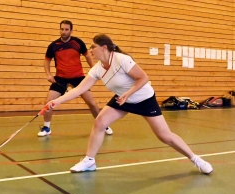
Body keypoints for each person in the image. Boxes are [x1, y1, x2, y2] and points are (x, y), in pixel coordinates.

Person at [46, 33, 213, 174]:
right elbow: (79, 89)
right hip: (122, 98)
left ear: (104, 48)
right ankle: (89, 161)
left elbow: (143, 78)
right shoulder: (97, 68)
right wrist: (56, 101)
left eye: (93, 47)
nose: (90, 51)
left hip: (143, 98)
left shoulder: (121, 59)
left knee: (164, 136)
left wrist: (128, 93)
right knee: (100, 122)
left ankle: (196, 159)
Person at [38, 20, 113, 136]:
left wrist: (94, 70)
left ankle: (103, 125)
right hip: (60, 78)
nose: (63, 32)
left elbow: (88, 56)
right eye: (62, 29)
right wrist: (48, 74)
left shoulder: (77, 43)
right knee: (49, 101)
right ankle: (46, 128)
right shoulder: (53, 46)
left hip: (78, 77)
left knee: (92, 103)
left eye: (66, 29)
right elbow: (46, 61)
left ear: (71, 31)